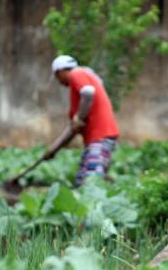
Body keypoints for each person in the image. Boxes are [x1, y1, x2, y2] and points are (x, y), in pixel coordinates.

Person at [46, 55, 120, 186]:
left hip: (100, 136)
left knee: (92, 181)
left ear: (60, 71)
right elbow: (72, 129)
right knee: (80, 182)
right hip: (95, 140)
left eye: (57, 77)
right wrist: (53, 150)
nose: (59, 81)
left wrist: (79, 118)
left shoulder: (76, 73)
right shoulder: (79, 95)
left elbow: (88, 92)